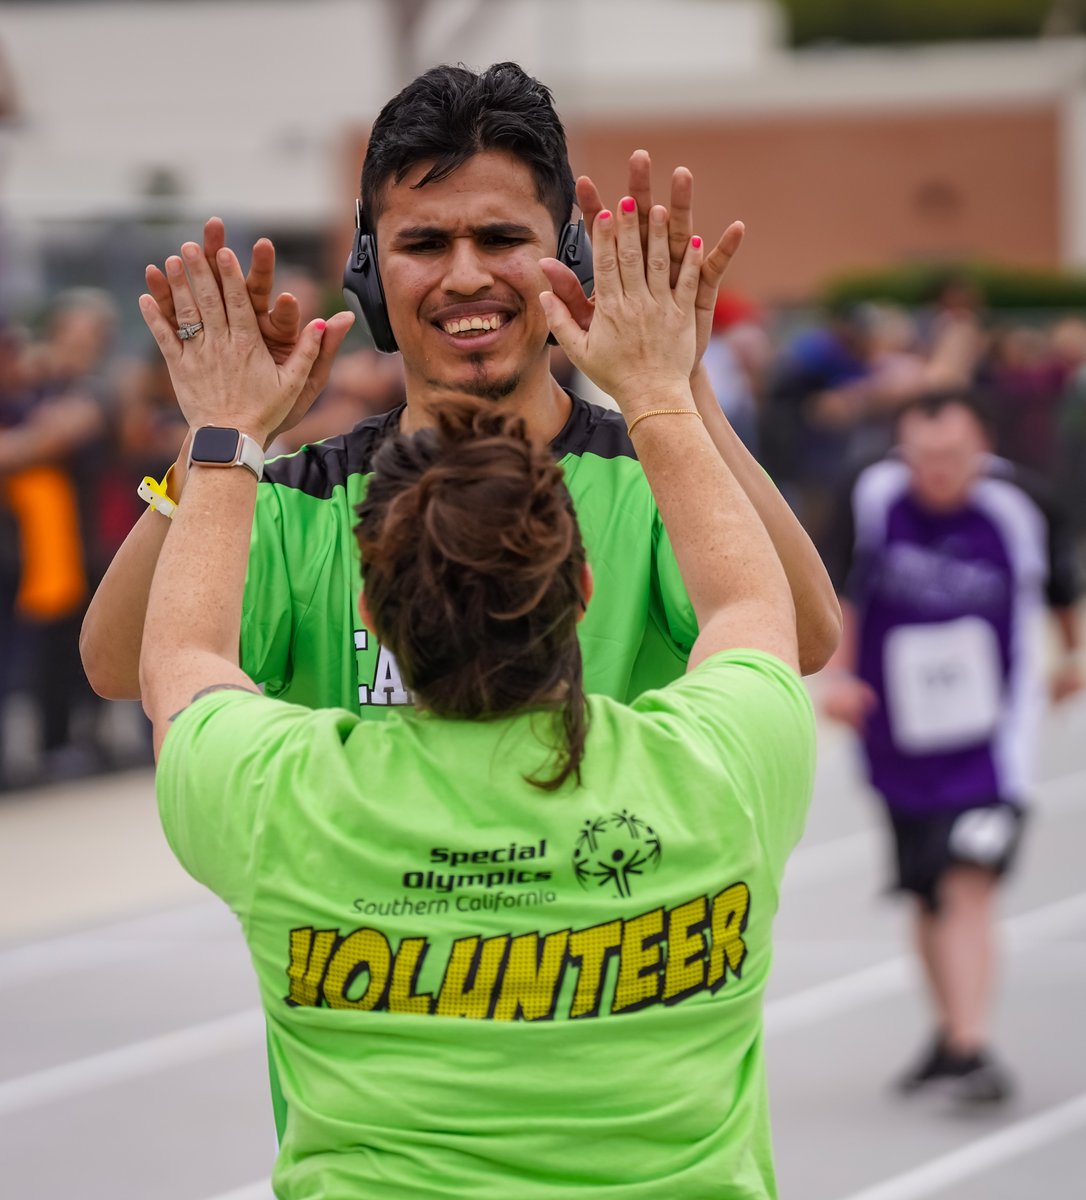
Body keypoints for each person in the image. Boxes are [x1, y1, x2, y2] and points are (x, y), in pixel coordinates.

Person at [80, 60, 839, 1131]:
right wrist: (212, 452)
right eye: (425, 244)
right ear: (367, 270)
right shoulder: (296, 500)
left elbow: (807, 632)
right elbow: (116, 663)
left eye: (502, 240)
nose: (465, 276)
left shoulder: (647, 475)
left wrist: (678, 385)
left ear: (564, 256)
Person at [820, 391, 1082, 1104]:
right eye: (921, 457)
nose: (934, 471)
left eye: (951, 457)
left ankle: (971, 1047)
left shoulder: (1019, 507)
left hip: (991, 744)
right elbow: (840, 589)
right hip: (897, 737)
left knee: (969, 880)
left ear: (982, 451)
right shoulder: (872, 496)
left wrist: (1072, 655)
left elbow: (1063, 589)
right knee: (928, 889)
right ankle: (948, 1036)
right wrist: (839, 678)